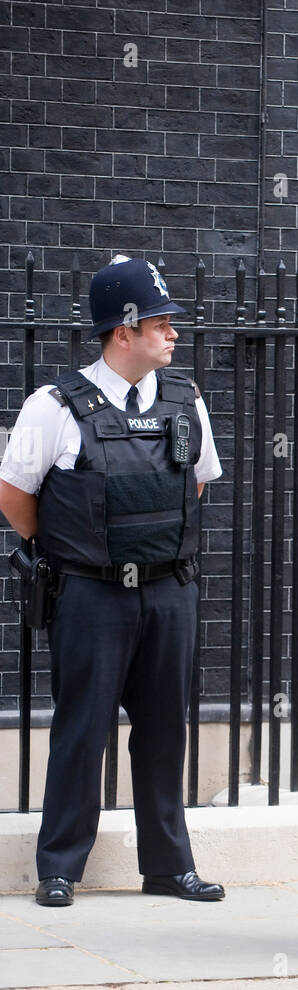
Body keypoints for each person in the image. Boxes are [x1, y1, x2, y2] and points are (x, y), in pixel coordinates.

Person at [0, 255, 225, 907]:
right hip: (91, 592)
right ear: (122, 331)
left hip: (168, 589)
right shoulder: (55, 405)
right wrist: (71, 547)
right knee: (82, 727)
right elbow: (14, 495)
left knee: (164, 730)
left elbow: (199, 482)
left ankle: (168, 867)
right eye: (160, 322)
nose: (173, 333)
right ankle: (60, 867)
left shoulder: (187, 399)